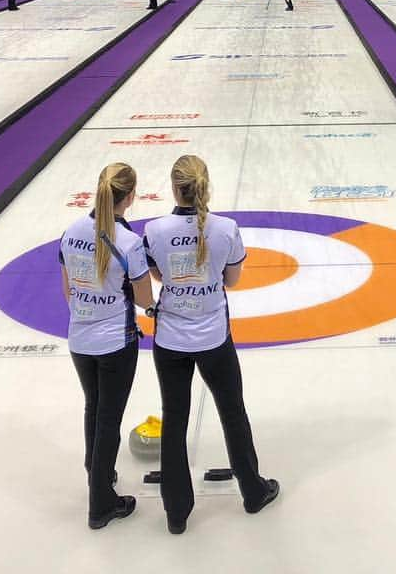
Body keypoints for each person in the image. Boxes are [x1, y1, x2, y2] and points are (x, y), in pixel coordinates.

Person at [144, 155, 279, 534]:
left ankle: (176, 512)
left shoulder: (154, 230)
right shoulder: (226, 228)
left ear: (174, 188)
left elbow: (156, 274)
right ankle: (253, 491)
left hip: (170, 337)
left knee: (174, 418)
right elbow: (232, 280)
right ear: (206, 186)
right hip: (214, 336)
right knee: (232, 411)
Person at [60, 163, 155, 529]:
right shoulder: (129, 243)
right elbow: (144, 297)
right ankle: (101, 503)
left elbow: (67, 288)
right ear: (130, 198)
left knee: (94, 408)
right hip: (115, 341)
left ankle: (96, 473)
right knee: (108, 419)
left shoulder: (71, 232)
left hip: (80, 339)